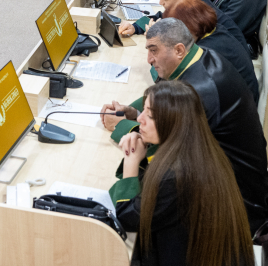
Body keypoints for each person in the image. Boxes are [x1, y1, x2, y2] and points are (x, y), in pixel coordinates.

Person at [103, 19, 268, 232]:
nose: (149, 59)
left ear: (179, 50)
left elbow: (166, 144)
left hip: (237, 206)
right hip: (233, 181)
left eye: (154, 50)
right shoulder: (200, 57)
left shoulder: (198, 92)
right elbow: (167, 111)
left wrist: (123, 127)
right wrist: (134, 112)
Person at [109, 80, 256, 266]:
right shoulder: (198, 146)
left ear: (173, 122)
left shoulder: (176, 177)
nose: (140, 119)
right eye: (144, 110)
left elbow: (127, 218)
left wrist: (131, 159)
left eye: (150, 115)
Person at [163, 0, 259, 101]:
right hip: (242, 99)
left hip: (238, 105)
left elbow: (175, 83)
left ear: (190, 26)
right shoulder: (215, 31)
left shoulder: (206, 51)